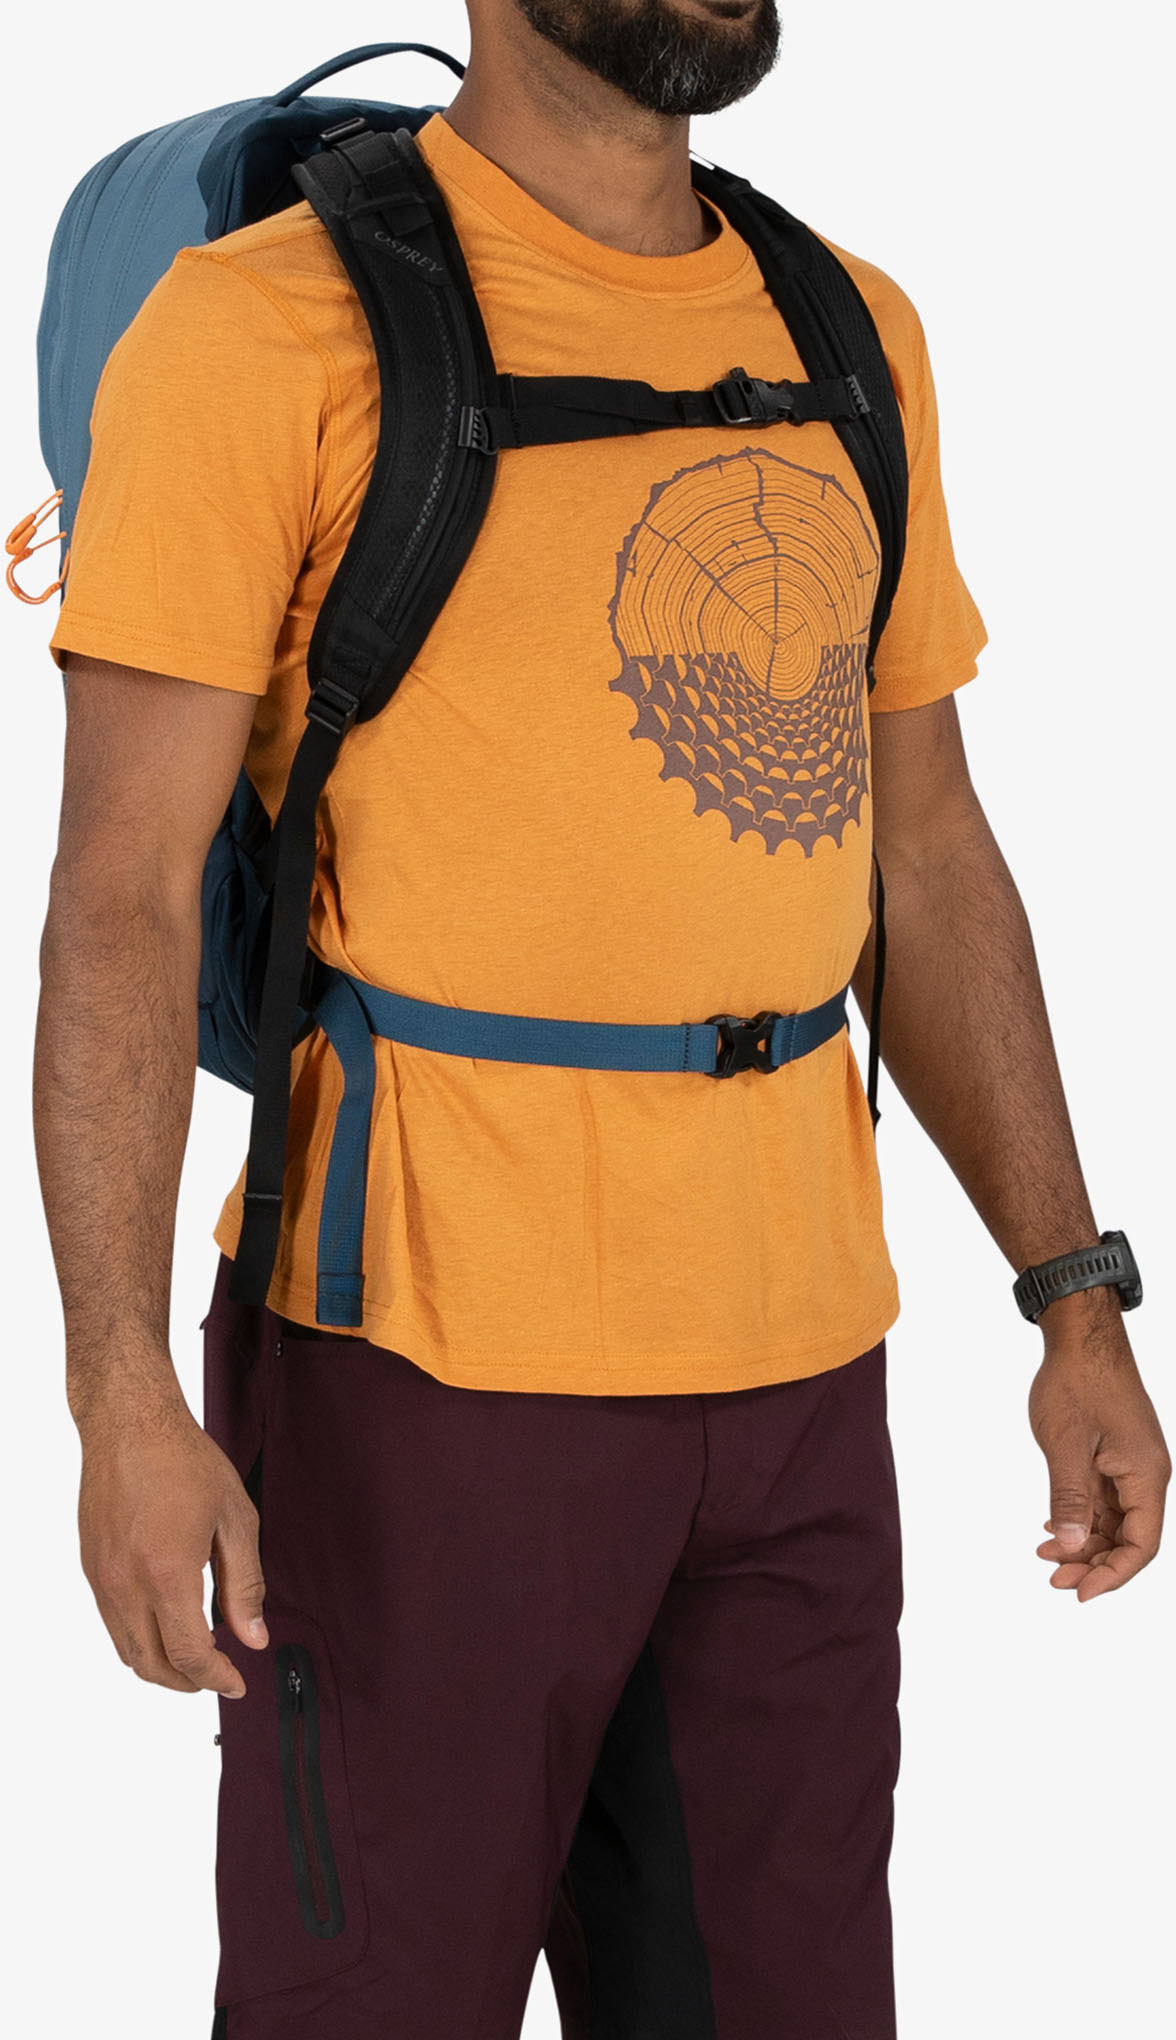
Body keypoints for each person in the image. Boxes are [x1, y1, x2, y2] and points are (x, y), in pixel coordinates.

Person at [33, 4, 1170, 2037]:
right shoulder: (260, 332)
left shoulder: (849, 329)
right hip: (412, 1386)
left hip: (802, 1390)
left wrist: (1073, 1300)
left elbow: (925, 854)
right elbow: (116, 902)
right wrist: (119, 1394)